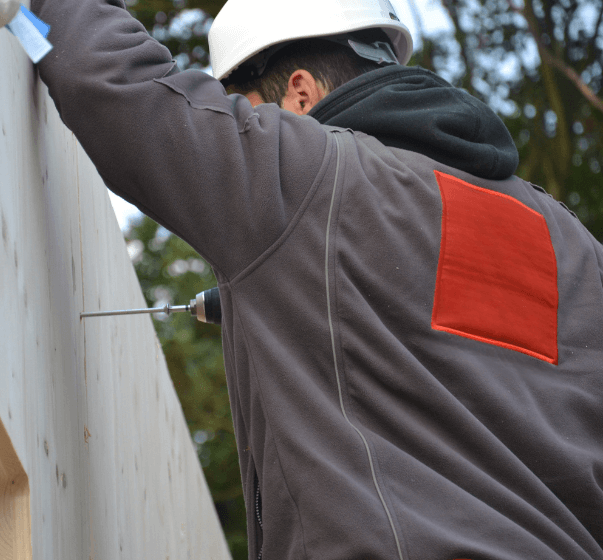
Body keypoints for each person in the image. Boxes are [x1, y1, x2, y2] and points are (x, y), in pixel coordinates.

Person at [31, 0, 603, 557]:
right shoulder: (575, 247)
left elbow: (115, 87)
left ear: (299, 93)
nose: (244, 126)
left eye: (246, 109)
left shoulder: (307, 174)